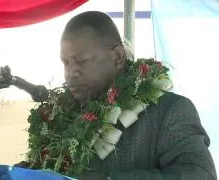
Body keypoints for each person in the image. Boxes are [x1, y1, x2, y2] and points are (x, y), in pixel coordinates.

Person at [16, 11, 217, 180]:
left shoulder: (169, 111)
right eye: (66, 63)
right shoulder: (60, 118)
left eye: (82, 60)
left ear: (118, 57)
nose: (71, 72)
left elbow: (199, 175)